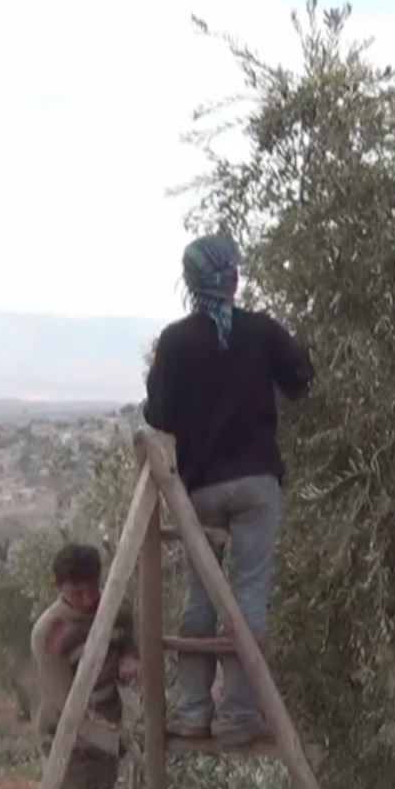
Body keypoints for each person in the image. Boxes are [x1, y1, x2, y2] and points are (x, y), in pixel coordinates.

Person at [143, 230, 314, 745]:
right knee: (249, 594)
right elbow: (302, 381)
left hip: (200, 488)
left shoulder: (175, 341)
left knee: (200, 595)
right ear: (234, 279)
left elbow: (158, 415)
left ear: (191, 283)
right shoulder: (260, 331)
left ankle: (193, 709)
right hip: (257, 480)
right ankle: (239, 713)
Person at [30, 542, 139, 789]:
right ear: (59, 587)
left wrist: (130, 655)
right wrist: (120, 743)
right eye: (78, 592)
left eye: (94, 588)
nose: (90, 598)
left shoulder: (117, 609)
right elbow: (69, 709)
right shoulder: (49, 633)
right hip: (70, 752)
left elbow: (131, 642)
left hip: (108, 753)